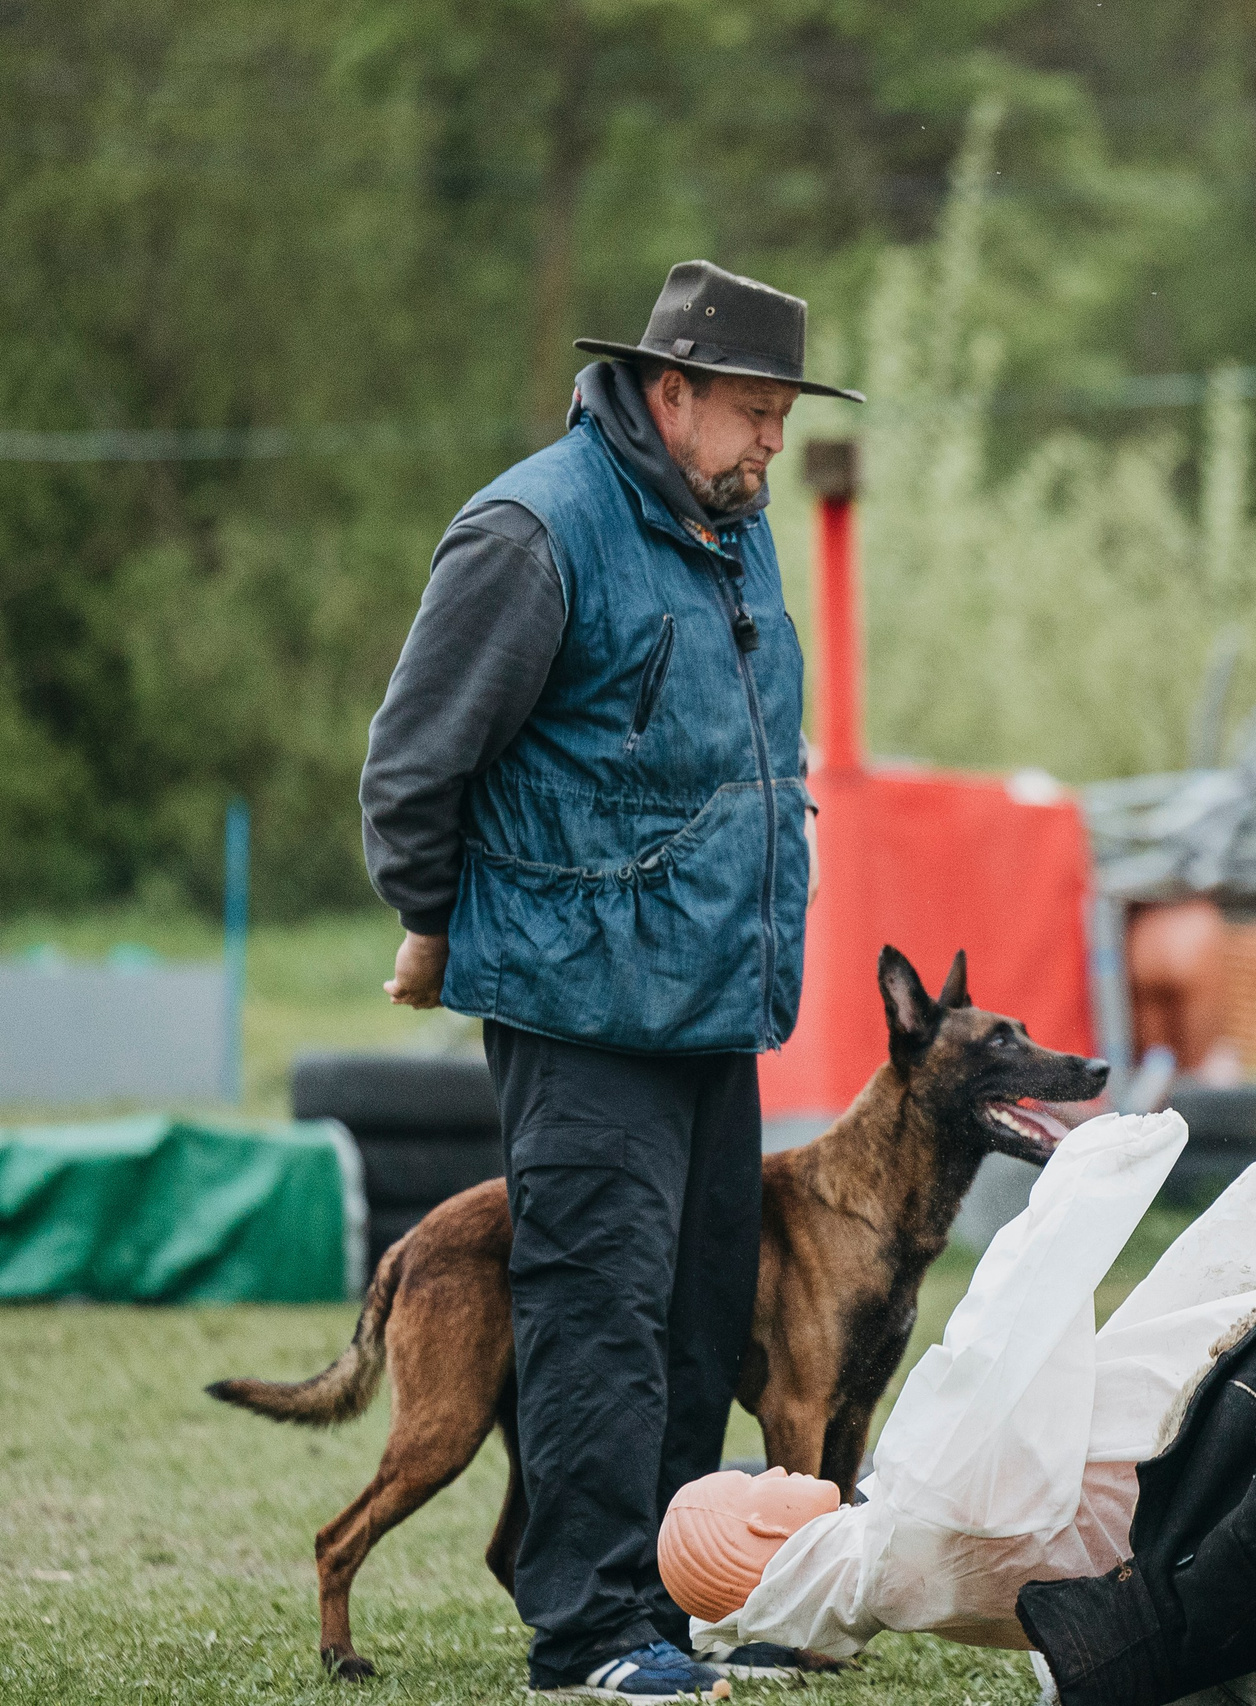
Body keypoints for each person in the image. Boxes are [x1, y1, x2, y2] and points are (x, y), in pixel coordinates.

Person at [359, 260, 858, 1701]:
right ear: (670, 391)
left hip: (712, 1004)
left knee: (699, 1320)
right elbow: (413, 765)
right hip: (581, 1005)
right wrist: (439, 919)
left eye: (786, 417)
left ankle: (662, 1604)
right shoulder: (533, 531)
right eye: (755, 412)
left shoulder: (730, 526)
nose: (774, 442)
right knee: (599, 1310)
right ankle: (585, 1635)